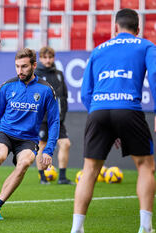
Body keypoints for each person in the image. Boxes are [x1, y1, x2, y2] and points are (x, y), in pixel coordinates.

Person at [71, 8, 156, 233]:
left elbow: (85, 93)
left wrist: (100, 117)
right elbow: (155, 76)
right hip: (128, 109)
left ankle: (77, 228)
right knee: (146, 166)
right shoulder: (146, 45)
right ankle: (145, 227)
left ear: (115, 28)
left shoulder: (98, 50)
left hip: (98, 111)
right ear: (138, 29)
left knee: (89, 170)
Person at [0, 48, 60, 220]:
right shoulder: (7, 87)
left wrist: (48, 150)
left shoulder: (46, 90)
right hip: (5, 132)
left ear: (34, 65)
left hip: (28, 139)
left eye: (24, 66)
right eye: (17, 66)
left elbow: (54, 122)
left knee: (24, 163)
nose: (20, 71)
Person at [34, 46, 74, 185]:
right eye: (45, 57)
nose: (48, 60)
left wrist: (63, 112)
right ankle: (43, 177)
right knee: (41, 145)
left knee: (65, 144)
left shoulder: (59, 74)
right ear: (40, 58)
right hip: (42, 118)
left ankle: (62, 177)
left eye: (50, 57)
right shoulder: (35, 74)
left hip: (57, 118)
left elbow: (64, 96)